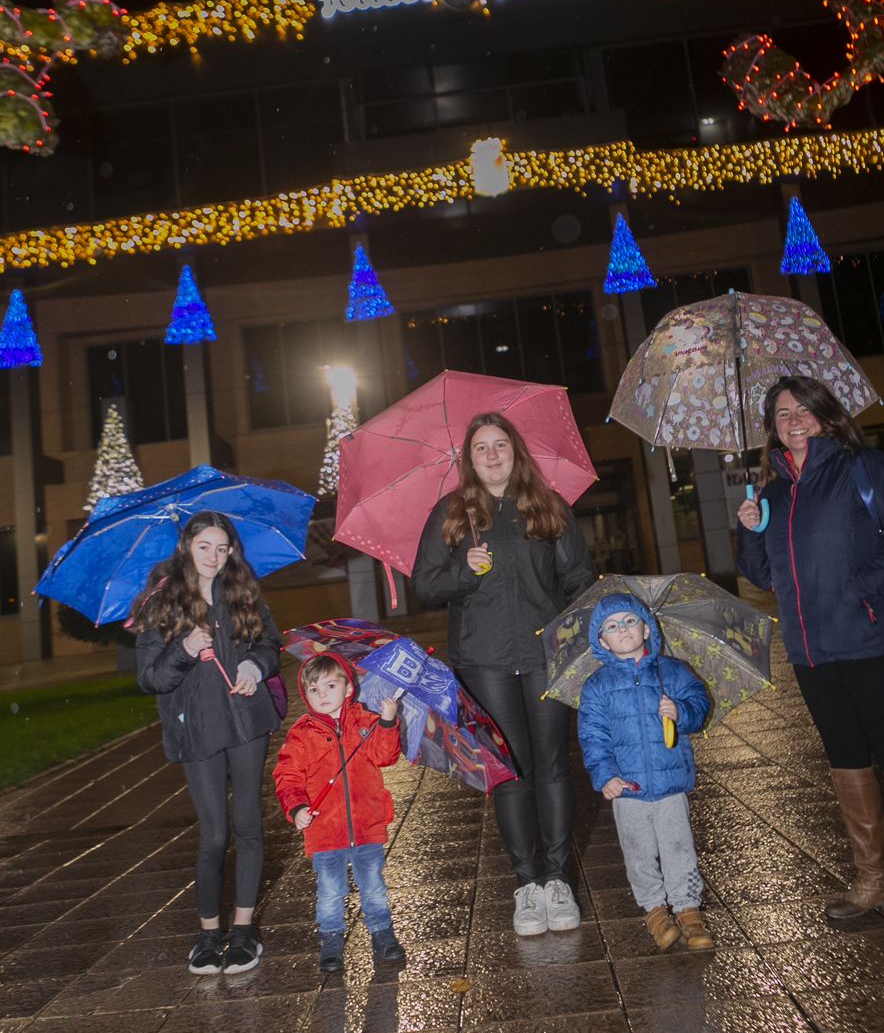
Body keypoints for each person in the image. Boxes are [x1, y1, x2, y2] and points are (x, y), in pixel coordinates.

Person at [736, 374, 884, 946]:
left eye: (801, 409)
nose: (793, 420)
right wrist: (750, 530)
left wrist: (869, 584)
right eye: (781, 414)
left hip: (870, 634)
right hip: (810, 648)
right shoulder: (774, 491)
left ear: (824, 414)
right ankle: (875, 879)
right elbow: (761, 574)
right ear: (772, 430)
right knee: (845, 755)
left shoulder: (863, 466)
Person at [413, 411, 594, 937]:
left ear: (516, 451)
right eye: (480, 449)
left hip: (544, 655)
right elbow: (426, 583)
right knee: (509, 770)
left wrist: (576, 636)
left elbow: (578, 578)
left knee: (553, 764)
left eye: (500, 446)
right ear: (468, 460)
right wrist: (463, 571)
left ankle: (558, 879)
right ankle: (527, 883)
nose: (492, 456)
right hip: (484, 659)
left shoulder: (547, 507)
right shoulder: (451, 515)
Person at [133, 511, 283, 975]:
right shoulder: (162, 601)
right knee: (215, 834)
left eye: (222, 548)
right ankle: (207, 932)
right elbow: (149, 678)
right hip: (196, 728)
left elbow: (270, 644)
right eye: (205, 547)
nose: (214, 557)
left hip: (244, 722)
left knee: (249, 826)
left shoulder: (242, 592)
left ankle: (243, 930)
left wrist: (254, 668)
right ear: (187, 547)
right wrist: (183, 650)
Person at [578, 593, 714, 951]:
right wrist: (605, 775)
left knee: (678, 846)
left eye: (629, 621)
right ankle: (654, 908)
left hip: (670, 782)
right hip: (628, 787)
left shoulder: (673, 672)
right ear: (601, 640)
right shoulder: (597, 687)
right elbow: (593, 736)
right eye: (611, 626)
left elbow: (700, 706)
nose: (622, 630)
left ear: (647, 628)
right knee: (638, 850)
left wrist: (681, 711)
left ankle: (687, 908)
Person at [272, 652, 404, 971]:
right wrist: (298, 807)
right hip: (324, 830)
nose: (323, 695)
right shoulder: (302, 734)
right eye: (314, 690)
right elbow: (287, 775)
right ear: (305, 694)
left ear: (348, 688)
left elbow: (385, 756)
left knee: (373, 885)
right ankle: (331, 939)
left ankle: (382, 933)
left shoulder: (364, 722)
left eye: (330, 686)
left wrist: (387, 721)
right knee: (330, 890)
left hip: (367, 824)